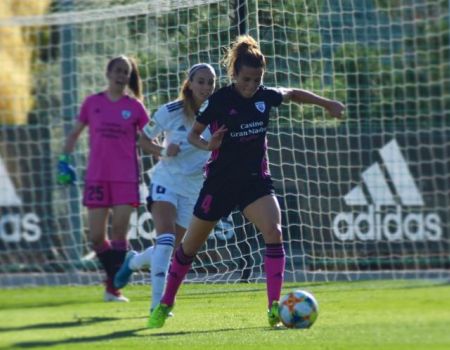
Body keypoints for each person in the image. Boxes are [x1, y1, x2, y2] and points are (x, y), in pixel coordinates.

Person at [147, 35, 345, 328]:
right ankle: (166, 302)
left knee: (274, 231)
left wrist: (326, 102)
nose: (251, 86)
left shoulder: (265, 96)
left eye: (256, 79)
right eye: (246, 79)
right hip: (219, 183)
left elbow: (292, 93)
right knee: (188, 247)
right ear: (234, 75)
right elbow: (193, 136)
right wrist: (209, 144)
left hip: (255, 182)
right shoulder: (219, 101)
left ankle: (274, 309)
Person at [113, 63, 223, 312]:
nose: (206, 87)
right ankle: (157, 305)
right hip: (166, 182)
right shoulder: (171, 110)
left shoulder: (218, 112)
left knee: (171, 249)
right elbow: (141, 138)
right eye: (201, 81)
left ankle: (132, 263)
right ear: (190, 83)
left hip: (194, 189)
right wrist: (163, 150)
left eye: (211, 82)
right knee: (165, 241)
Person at [57, 55, 150, 302]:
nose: (121, 76)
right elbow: (75, 133)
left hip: (126, 179)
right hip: (97, 178)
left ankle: (112, 289)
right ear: (108, 73)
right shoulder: (92, 103)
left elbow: (146, 139)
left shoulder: (136, 107)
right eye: (118, 70)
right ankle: (120, 274)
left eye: (126, 72)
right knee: (97, 237)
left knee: (119, 235)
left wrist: (165, 152)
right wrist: (63, 161)